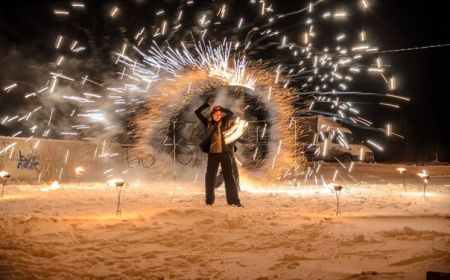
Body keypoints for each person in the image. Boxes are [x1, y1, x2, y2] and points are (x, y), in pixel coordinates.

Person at [195, 97, 243, 207]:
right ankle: (209, 201)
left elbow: (230, 113)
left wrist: (221, 109)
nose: (218, 116)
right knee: (210, 178)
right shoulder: (207, 123)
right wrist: (207, 104)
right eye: (216, 115)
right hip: (213, 155)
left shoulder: (224, 121)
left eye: (219, 115)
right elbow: (197, 112)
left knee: (229, 178)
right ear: (212, 115)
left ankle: (234, 201)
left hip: (225, 154)